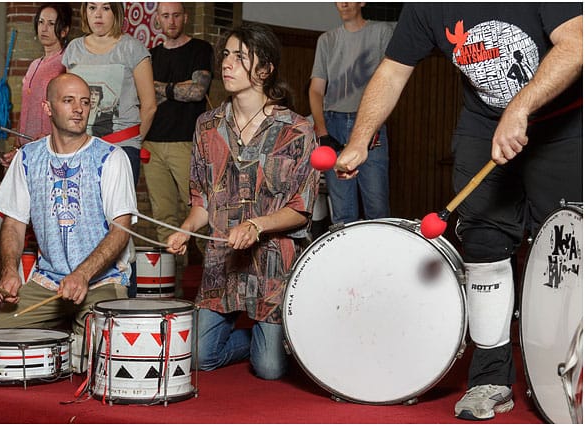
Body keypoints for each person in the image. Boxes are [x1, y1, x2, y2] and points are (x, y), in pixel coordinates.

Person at [336, 4, 582, 421]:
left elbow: (576, 42)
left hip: (565, 122)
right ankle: (491, 380)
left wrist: (520, 109)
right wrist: (361, 139)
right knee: (483, 243)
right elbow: (393, 70)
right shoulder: (424, 8)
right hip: (484, 123)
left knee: (563, 249)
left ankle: (564, 370)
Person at [166, 23, 320, 380]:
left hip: (273, 266)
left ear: (264, 70)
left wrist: (257, 225)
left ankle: (285, 340)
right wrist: (186, 230)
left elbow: (301, 209)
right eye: (226, 55)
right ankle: (267, 339)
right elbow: (203, 199)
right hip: (224, 263)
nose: (227, 64)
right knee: (202, 357)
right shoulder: (207, 125)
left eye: (241, 57)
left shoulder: (296, 129)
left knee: (268, 369)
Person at [0, 73, 137, 372]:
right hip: (48, 282)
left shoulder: (111, 158)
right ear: (47, 108)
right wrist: (9, 272)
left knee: (93, 364)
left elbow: (120, 229)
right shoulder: (27, 158)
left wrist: (82, 275)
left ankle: (73, 336)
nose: (79, 109)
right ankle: (65, 332)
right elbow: (14, 224)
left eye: (85, 102)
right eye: (68, 101)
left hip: (101, 281)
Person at [143, 2, 214, 297]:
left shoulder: (200, 48)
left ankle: (211, 289)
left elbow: (197, 91)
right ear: (157, 19)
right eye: (165, 16)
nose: (171, 21)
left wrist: (162, 88)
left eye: (176, 15)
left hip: (187, 142)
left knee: (196, 214)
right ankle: (170, 293)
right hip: (153, 143)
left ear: (184, 17)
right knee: (162, 219)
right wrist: (176, 89)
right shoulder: (151, 55)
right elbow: (143, 94)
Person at [308, 2, 394, 225]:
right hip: (332, 123)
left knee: (377, 208)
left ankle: (381, 259)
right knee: (343, 212)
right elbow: (316, 90)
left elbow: (391, 81)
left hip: (367, 122)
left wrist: (374, 125)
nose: (343, 3)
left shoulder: (381, 31)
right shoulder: (326, 40)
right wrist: (322, 132)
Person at [62, 2, 157, 186]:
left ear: (116, 13)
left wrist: (133, 142)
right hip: (80, 147)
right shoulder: (74, 49)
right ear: (85, 12)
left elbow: (150, 106)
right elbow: (69, 102)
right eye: (92, 8)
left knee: (116, 213)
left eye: (105, 8)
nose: (98, 14)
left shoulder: (132, 48)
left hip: (120, 146)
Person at [1, 3, 73, 167]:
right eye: (41, 22)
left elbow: (71, 108)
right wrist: (16, 147)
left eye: (51, 23)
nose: (44, 28)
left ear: (64, 30)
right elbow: (26, 108)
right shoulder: (34, 64)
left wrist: (52, 136)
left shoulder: (67, 61)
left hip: (52, 150)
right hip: (28, 150)